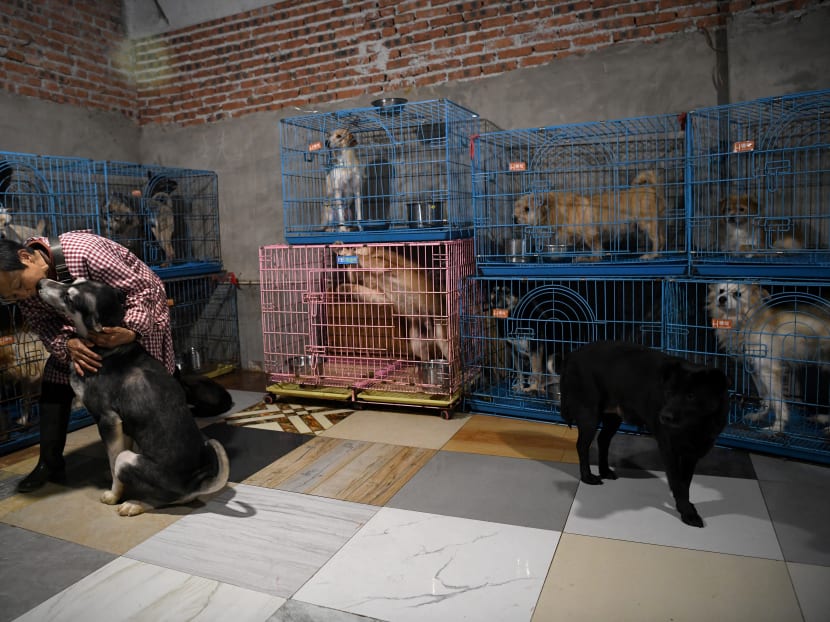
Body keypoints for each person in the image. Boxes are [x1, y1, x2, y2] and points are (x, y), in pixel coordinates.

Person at [0, 231, 175, 492]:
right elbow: (44, 324)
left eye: (19, 286)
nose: (22, 296)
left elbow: (144, 290)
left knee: (147, 393)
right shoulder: (27, 291)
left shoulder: (85, 252)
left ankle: (158, 462)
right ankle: (49, 463)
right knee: (54, 382)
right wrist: (68, 345)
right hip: (79, 336)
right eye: (12, 296)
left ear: (25, 256)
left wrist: (131, 331)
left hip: (134, 324)